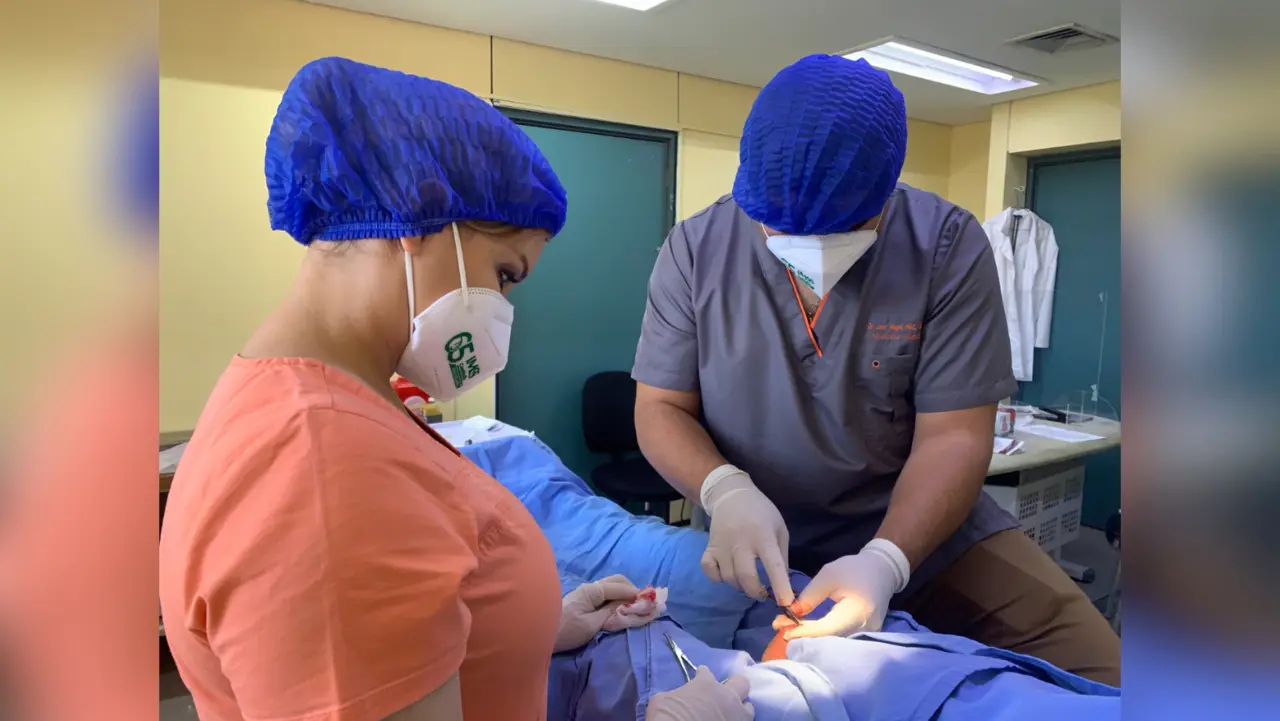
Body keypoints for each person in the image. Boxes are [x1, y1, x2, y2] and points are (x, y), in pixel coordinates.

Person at [158, 57, 752, 721]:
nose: (502, 306)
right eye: (504, 274)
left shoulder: (332, 403)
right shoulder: (320, 468)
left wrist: (530, 630)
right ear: (420, 216)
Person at [631, 54, 1121, 686]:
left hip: (928, 536)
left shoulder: (943, 244)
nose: (803, 245)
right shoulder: (696, 250)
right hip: (754, 541)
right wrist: (723, 490)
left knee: (1104, 672)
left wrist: (886, 562)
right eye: (776, 225)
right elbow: (660, 406)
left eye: (842, 226)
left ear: (885, 193)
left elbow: (955, 435)